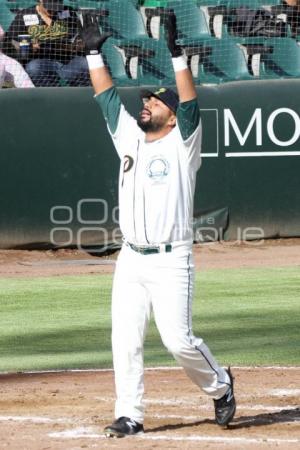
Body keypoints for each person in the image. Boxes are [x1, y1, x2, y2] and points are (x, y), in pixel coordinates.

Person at [81, 12, 236, 438]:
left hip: (172, 259)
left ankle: (220, 385)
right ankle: (130, 413)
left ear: (170, 116)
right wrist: (94, 54)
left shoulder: (183, 143)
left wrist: (176, 55)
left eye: (155, 100)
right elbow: (108, 99)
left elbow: (189, 105)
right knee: (125, 339)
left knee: (178, 341)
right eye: (147, 99)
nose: (146, 102)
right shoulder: (129, 136)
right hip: (131, 258)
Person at [2, 0, 89, 86]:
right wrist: (29, 46)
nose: (53, 10)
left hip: (67, 61)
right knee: (33, 68)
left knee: (86, 65)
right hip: (40, 61)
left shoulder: (68, 12)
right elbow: (12, 41)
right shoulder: (25, 14)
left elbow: (78, 39)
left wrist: (75, 45)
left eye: (56, 6)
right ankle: (51, 96)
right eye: (49, 7)